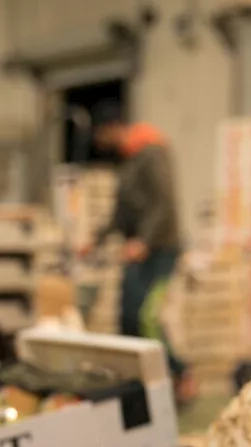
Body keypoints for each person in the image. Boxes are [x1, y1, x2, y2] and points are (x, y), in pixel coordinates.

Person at [82, 100, 195, 403]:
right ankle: (137, 382)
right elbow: (122, 209)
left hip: (159, 250)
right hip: (136, 251)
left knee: (147, 316)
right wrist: (97, 238)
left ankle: (179, 374)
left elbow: (163, 201)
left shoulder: (153, 152)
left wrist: (144, 240)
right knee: (127, 317)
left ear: (114, 129)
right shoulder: (128, 160)